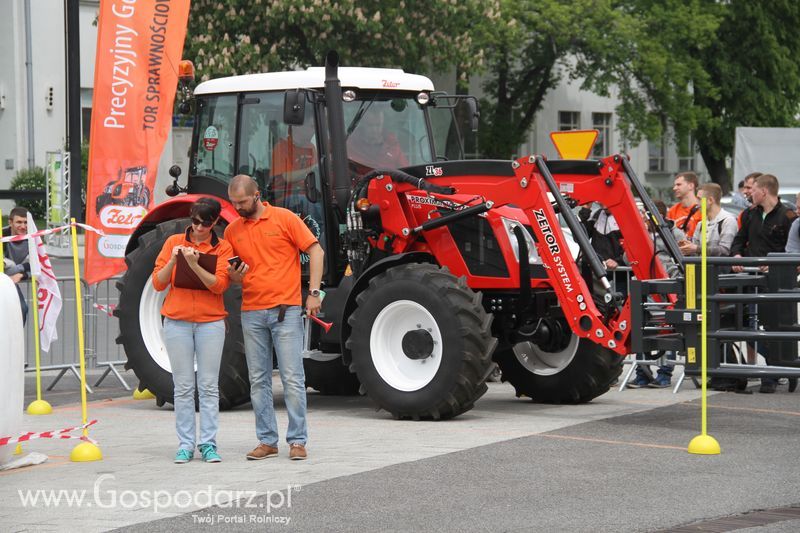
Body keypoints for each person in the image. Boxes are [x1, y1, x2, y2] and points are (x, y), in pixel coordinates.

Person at [225, 174, 324, 461]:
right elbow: (230, 276)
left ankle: (297, 441)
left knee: (293, 377)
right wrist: (234, 276)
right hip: (252, 311)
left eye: (242, 202)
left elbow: (315, 251)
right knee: (258, 380)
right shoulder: (232, 230)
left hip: (285, 310)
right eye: (234, 203)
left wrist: (314, 292)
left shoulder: (284, 218)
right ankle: (267, 440)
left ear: (256, 195)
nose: (238, 207)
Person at [152, 198, 233, 463]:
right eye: (195, 221)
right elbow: (157, 283)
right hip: (177, 321)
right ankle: (185, 444)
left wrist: (196, 264)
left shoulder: (223, 247)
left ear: (215, 223)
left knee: (209, 386)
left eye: (205, 223)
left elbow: (219, 285)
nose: (199, 228)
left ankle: (208, 443)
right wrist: (175, 261)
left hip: (211, 322)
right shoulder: (173, 242)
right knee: (183, 386)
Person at [730, 174, 797, 393]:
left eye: (753, 189)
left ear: (765, 191)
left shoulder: (787, 216)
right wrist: (737, 256)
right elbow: (738, 240)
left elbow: (792, 250)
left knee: (774, 327)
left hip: (777, 282)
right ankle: (776, 369)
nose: (748, 193)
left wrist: (779, 266)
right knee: (749, 326)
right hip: (751, 278)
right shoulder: (749, 214)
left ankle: (775, 373)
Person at [627, 200, 681, 388]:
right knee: (642, 328)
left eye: (644, 213)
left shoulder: (673, 232)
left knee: (668, 329)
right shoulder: (640, 233)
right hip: (644, 288)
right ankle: (642, 372)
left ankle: (664, 374)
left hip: (667, 289)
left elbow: (681, 257)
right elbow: (628, 257)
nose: (641, 216)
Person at [679, 183, 738, 258]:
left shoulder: (728, 220)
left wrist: (696, 248)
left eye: (699, 199)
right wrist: (688, 246)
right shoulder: (700, 224)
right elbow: (695, 252)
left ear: (710, 200)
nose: (696, 203)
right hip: (703, 269)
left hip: (719, 269)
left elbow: (725, 250)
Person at [347, 106, 409, 174]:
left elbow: (406, 170)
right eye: (370, 126)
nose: (375, 130)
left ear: (382, 124)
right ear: (363, 125)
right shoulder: (351, 145)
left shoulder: (392, 144)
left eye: (378, 125)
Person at [3, 206, 30, 325]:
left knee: (22, 310)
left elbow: (37, 266)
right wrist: (20, 267)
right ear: (10, 223)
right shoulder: (2, 235)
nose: (23, 226)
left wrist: (21, 275)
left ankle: (14, 342)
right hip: (4, 279)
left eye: (26, 222)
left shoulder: (33, 238)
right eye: (19, 222)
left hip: (10, 282)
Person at [667, 172, 703, 238]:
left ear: (691, 186)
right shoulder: (673, 210)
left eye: (679, 185)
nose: (674, 188)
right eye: (674, 185)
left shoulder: (703, 210)